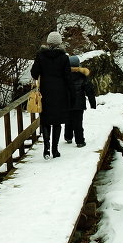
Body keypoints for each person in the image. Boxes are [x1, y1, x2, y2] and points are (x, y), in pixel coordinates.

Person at [30, 31, 71, 159]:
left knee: (46, 121)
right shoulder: (64, 57)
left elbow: (34, 73)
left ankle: (46, 149)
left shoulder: (41, 56)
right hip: (60, 93)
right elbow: (68, 77)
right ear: (60, 43)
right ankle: (55, 150)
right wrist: (71, 94)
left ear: (48, 42)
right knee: (57, 122)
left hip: (45, 93)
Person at [63, 55, 98, 146]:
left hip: (66, 102)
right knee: (78, 122)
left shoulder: (64, 76)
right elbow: (89, 91)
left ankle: (68, 137)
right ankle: (80, 141)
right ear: (78, 65)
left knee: (68, 120)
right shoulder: (83, 76)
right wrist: (93, 103)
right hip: (79, 103)